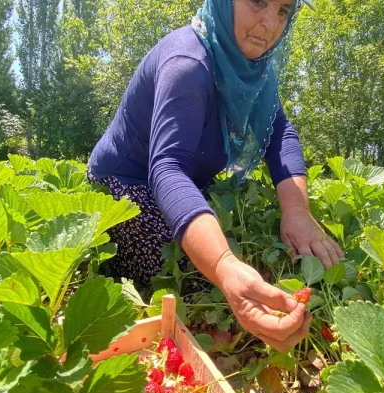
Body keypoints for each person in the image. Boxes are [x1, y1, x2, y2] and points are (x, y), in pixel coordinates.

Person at [87, 0, 344, 352]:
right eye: (258, 1)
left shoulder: (254, 68)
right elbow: (168, 167)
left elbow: (279, 132)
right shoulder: (188, 63)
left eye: (283, 10)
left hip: (186, 177)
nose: (270, 23)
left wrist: (298, 213)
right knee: (195, 279)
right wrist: (223, 266)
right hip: (127, 183)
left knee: (251, 248)